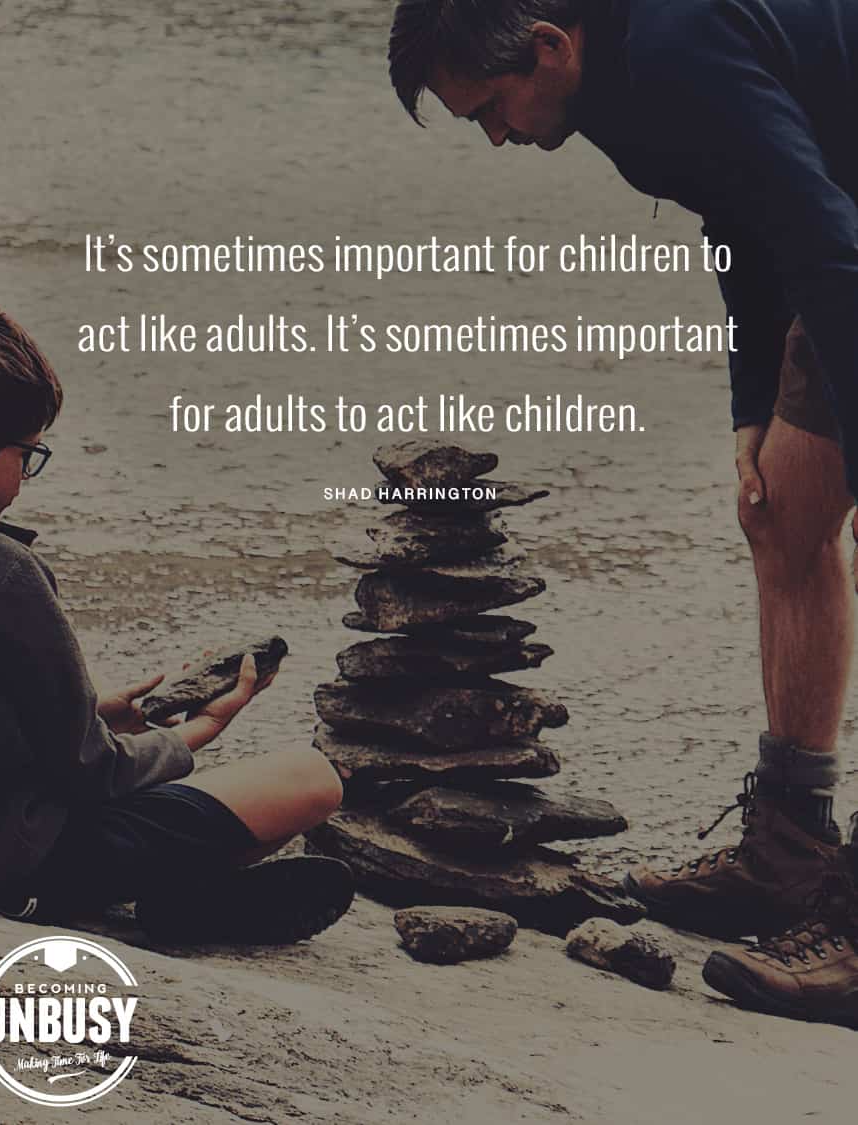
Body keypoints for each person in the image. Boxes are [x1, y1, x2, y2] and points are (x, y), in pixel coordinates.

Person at [388, 0, 858, 1027]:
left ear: (549, 45)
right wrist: (749, 413)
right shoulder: (611, 81)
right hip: (839, 229)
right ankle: (787, 850)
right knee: (781, 510)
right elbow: (744, 212)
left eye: (492, 110)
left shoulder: (678, 53)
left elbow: (821, 239)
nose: (500, 138)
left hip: (846, 241)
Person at [0, 297, 352, 945]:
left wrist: (102, 711)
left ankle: (190, 893)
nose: (28, 476)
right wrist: (200, 728)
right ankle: (186, 900)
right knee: (310, 779)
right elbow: (91, 772)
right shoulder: (3, 574)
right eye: (27, 455)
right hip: (15, 867)